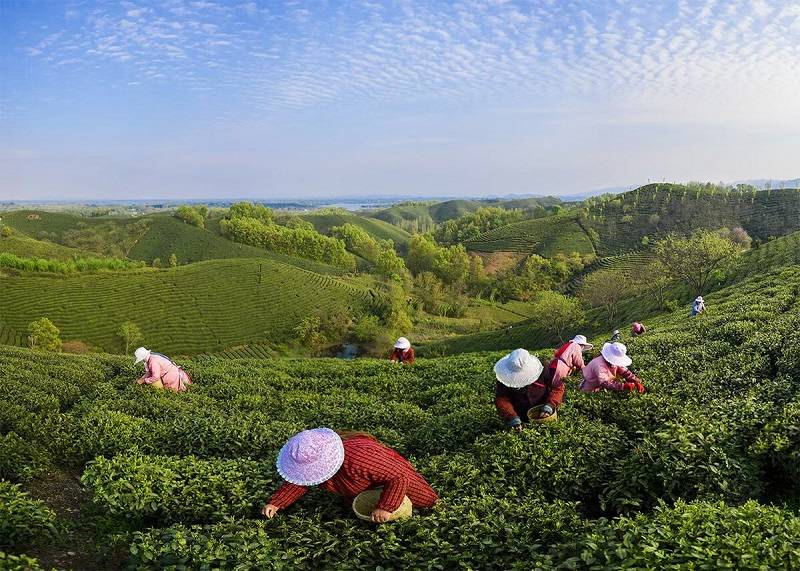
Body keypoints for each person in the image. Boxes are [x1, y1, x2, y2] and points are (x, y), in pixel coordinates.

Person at [261, 428, 438, 523]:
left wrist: (386, 507)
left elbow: (399, 476)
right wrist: (276, 503)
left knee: (427, 506)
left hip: (399, 481)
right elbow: (300, 481)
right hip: (364, 487)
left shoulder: (359, 458)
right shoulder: (319, 463)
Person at [494, 348, 563, 430]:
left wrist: (550, 405)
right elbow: (502, 399)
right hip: (521, 416)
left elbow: (557, 387)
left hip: (545, 410)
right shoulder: (504, 378)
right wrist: (512, 417)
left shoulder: (543, 370)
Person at [579, 342, 645, 393]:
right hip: (590, 388)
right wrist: (623, 386)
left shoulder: (613, 362)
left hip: (600, 387)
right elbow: (604, 383)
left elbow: (626, 373)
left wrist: (637, 382)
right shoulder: (599, 365)